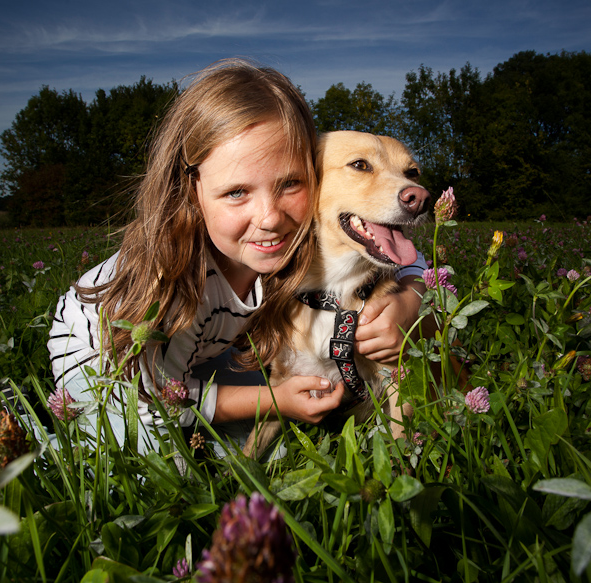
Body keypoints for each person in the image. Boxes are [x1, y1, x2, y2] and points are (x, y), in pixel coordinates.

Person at [47, 58, 428, 455]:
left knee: (272, 445)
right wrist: (274, 400)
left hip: (200, 352)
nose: (270, 219)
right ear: (191, 190)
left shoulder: (295, 245)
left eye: (290, 184)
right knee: (164, 471)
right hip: (108, 359)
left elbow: (411, 261)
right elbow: (159, 398)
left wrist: (411, 296)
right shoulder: (179, 281)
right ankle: (32, 433)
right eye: (236, 192)